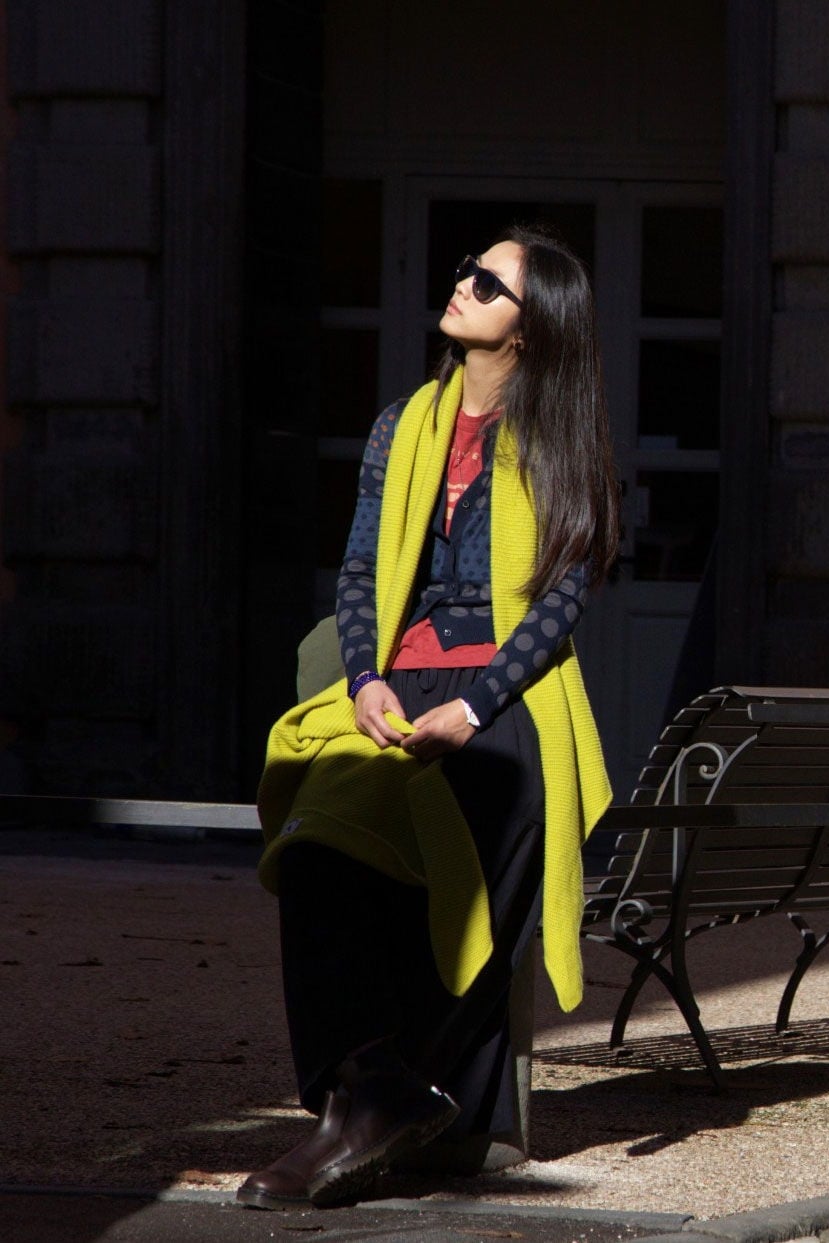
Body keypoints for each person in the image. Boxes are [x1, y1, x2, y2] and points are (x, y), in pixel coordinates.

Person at [241, 225, 619, 1210]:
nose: (462, 283)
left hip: (506, 693)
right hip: (395, 682)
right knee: (316, 837)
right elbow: (361, 570)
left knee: (482, 817)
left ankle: (366, 1110)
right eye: (466, 269)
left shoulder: (560, 436)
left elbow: (562, 601)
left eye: (488, 281)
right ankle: (373, 1088)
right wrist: (365, 678)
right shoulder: (400, 425)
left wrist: (475, 702)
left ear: (530, 329)